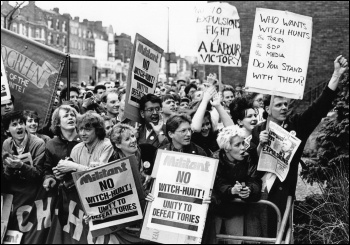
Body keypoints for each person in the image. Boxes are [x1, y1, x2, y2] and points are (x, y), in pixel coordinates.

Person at [251, 55, 348, 237]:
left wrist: (336, 74)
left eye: (286, 104)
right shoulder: (257, 130)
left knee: (280, 236)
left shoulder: (296, 125)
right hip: (258, 193)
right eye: (278, 104)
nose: (284, 108)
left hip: (282, 195)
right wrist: (259, 145)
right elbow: (247, 160)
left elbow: (318, 109)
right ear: (267, 109)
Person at [211, 125, 262, 241]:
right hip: (216, 209)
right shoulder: (214, 159)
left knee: (236, 240)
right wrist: (231, 190)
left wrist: (249, 190)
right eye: (237, 145)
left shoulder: (248, 158)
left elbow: (255, 181)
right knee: (212, 240)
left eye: (243, 143)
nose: (243, 148)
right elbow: (217, 184)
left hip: (236, 210)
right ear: (227, 147)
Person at [2, 111, 46, 229]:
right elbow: (7, 177)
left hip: (33, 191)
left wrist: (22, 165)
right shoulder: (6, 144)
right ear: (7, 130)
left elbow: (38, 174)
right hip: (15, 192)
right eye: (14, 124)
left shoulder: (38, 143)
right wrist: (10, 168)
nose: (19, 127)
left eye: (21, 123)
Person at [42, 105, 81, 191]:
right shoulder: (51, 144)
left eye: (72, 115)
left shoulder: (84, 139)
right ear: (58, 123)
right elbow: (47, 170)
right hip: (64, 193)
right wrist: (52, 177)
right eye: (66, 116)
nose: (70, 118)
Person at [191, 86, 234, 156]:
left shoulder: (215, 136)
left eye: (207, 123)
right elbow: (195, 128)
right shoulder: (191, 138)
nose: (205, 128)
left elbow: (232, 128)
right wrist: (204, 100)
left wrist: (218, 105)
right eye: (202, 125)